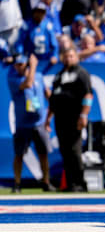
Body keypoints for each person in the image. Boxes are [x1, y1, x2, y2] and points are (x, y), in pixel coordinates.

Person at [45, 46, 92, 192]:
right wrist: (48, 118)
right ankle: (71, 183)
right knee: (65, 151)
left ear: (76, 57)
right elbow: (54, 100)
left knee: (75, 150)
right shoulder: (59, 76)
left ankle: (80, 183)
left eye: (71, 56)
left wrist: (84, 115)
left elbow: (88, 95)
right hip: (60, 117)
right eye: (66, 56)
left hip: (75, 116)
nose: (68, 59)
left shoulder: (81, 73)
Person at [8, 54, 55, 193]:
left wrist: (49, 117)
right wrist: (33, 66)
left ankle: (46, 182)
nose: (18, 67)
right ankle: (17, 183)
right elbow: (28, 83)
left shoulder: (39, 77)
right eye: (16, 64)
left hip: (39, 122)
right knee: (19, 154)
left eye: (21, 64)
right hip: (23, 123)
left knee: (43, 154)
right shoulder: (13, 79)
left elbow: (47, 95)